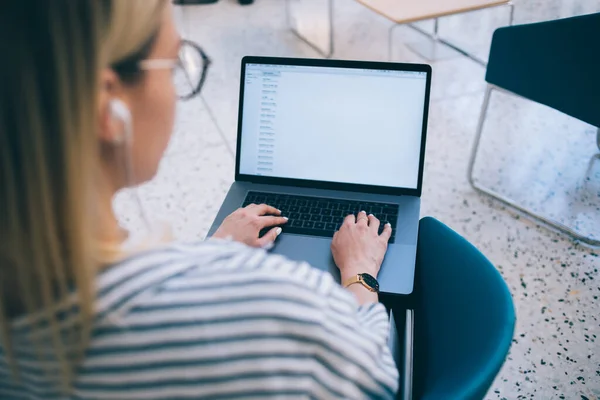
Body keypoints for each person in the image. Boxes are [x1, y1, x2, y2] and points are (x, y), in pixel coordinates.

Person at [0, 1, 397, 398]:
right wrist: (359, 273)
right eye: (173, 66)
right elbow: (372, 377)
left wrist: (215, 248)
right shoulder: (262, 298)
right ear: (108, 108)